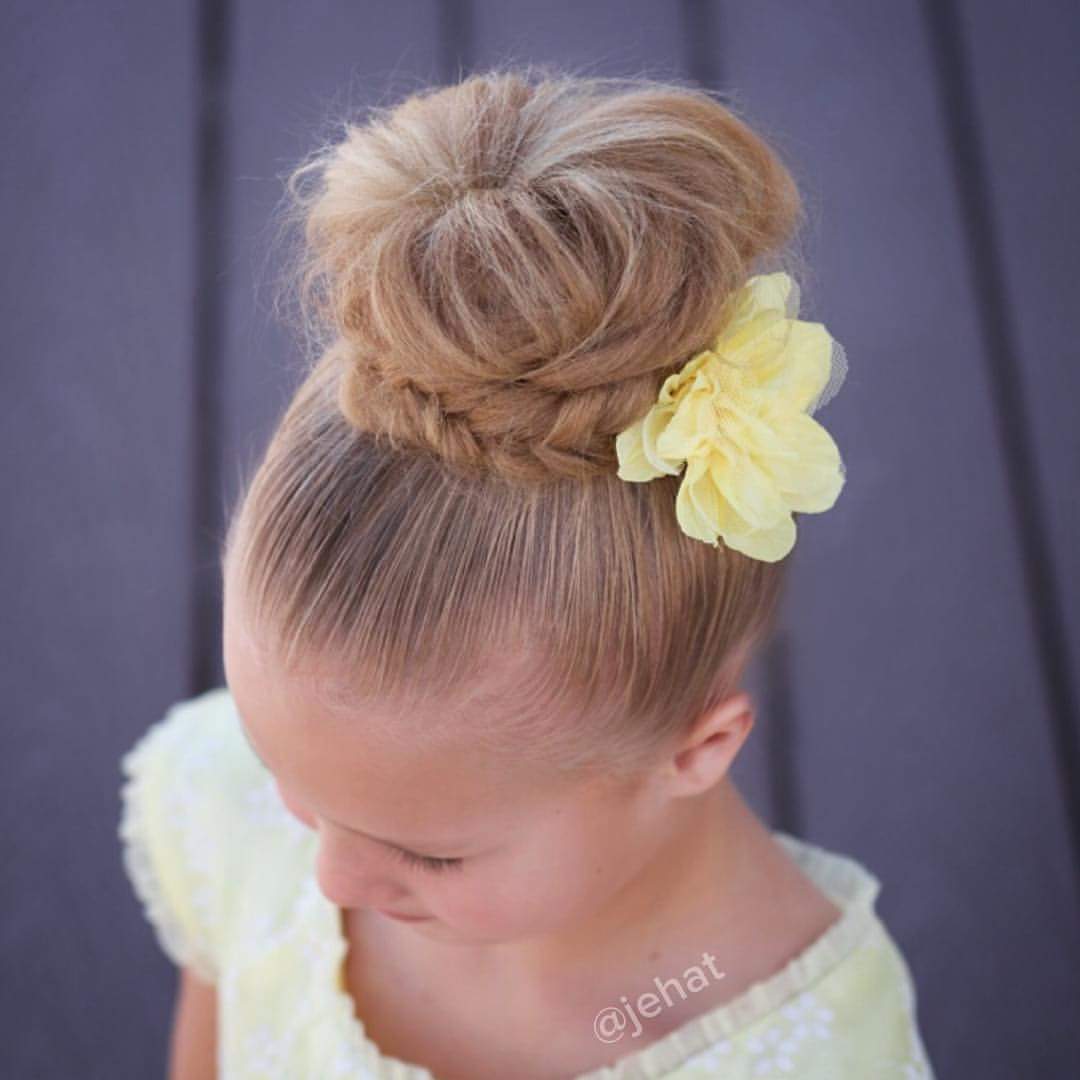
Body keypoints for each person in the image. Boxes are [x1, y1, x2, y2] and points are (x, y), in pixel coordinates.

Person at [117, 64, 936, 1078]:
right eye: (289, 786)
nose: (323, 874)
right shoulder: (245, 798)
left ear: (696, 750)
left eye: (431, 856)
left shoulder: (809, 1055)